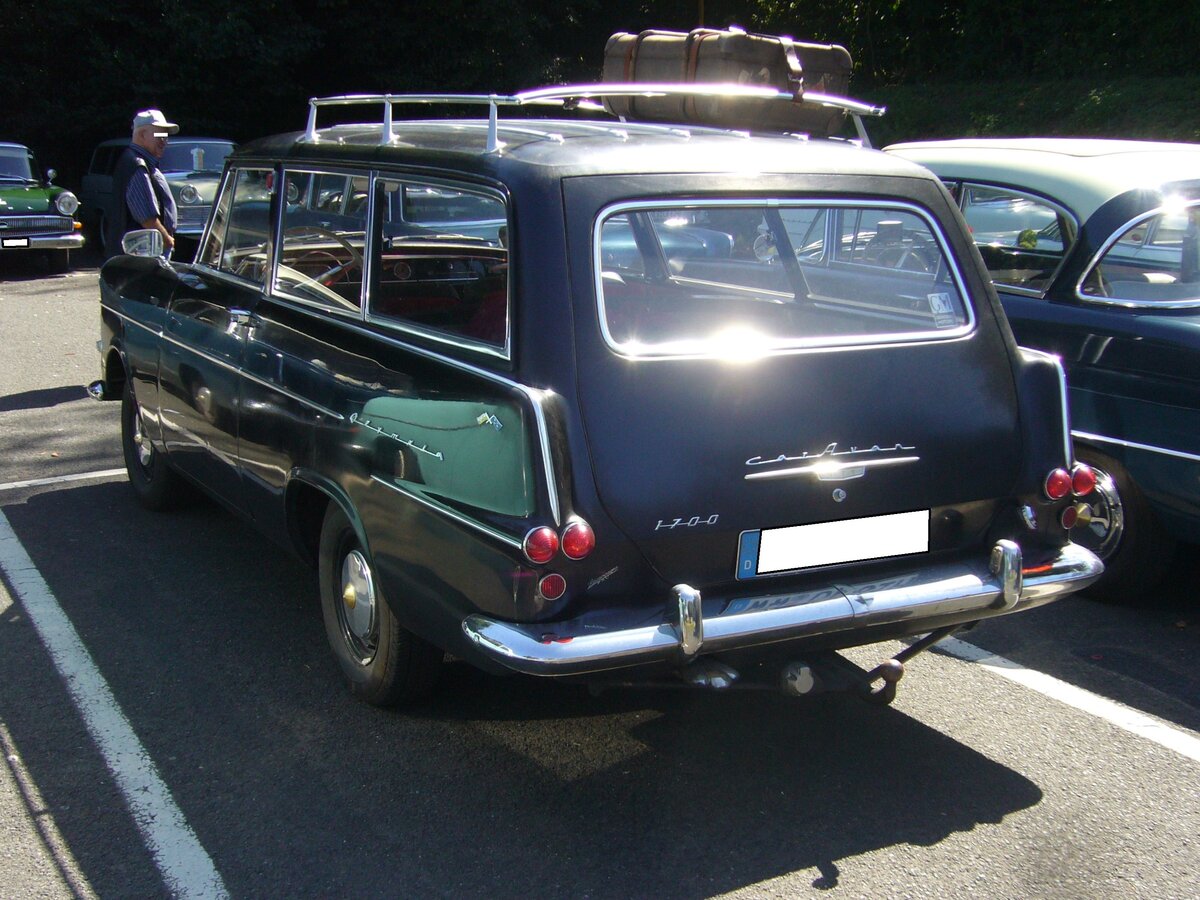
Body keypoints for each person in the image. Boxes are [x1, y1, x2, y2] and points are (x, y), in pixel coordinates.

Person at [105, 108, 179, 257]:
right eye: (160, 135)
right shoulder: (137, 165)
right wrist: (167, 240)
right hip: (144, 253)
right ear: (142, 134)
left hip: (144, 251)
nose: (164, 141)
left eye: (165, 136)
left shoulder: (141, 162)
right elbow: (147, 218)